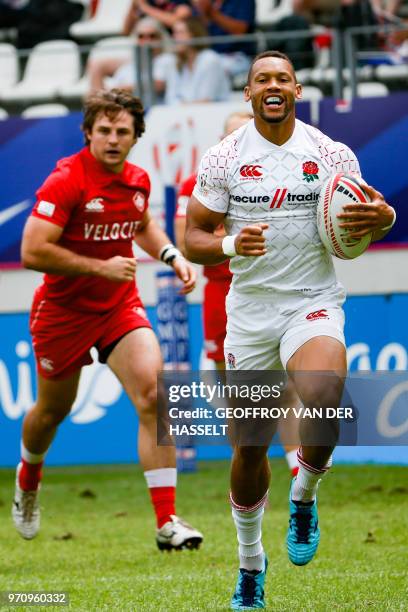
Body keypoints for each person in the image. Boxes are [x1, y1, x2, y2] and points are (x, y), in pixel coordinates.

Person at [184, 51, 396, 608]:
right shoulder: (223, 158)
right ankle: (251, 564)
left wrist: (387, 218)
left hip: (312, 301)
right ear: (248, 93)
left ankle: (304, 494)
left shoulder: (330, 153)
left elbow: (366, 214)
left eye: (281, 77)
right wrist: (231, 244)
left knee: (326, 395)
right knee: (249, 448)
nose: (272, 85)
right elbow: (194, 236)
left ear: (297, 89)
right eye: (261, 79)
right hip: (250, 313)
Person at [13, 88, 203, 553]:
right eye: (104, 131)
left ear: (136, 136)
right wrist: (100, 267)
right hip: (62, 313)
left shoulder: (137, 180)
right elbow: (31, 250)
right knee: (51, 413)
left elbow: (140, 225)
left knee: (155, 394)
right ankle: (29, 476)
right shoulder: (66, 180)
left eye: (122, 131)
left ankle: (167, 522)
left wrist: (171, 253)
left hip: (119, 307)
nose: (112, 139)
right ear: (88, 133)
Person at [175, 110, 301, 475]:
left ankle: (296, 474)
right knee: (238, 395)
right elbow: (188, 239)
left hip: (275, 287)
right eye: (232, 137)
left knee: (287, 386)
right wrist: (233, 242)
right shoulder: (196, 183)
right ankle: (245, 471)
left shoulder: (284, 178)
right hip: (221, 292)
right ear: (221, 143)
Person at [88, 17, 173, 101]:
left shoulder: (167, 60)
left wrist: (116, 91)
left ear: (161, 38)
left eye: (152, 36)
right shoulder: (129, 65)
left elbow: (158, 84)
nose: (146, 41)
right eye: (141, 37)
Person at [163, 16, 231, 104]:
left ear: (194, 35)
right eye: (174, 33)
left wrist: (181, 105)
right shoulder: (177, 62)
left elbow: (206, 100)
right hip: (185, 114)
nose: (175, 37)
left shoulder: (210, 59)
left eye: (180, 33)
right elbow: (170, 98)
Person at [192, 0, 256, 77]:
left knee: (210, 69)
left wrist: (211, 12)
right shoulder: (208, 2)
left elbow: (239, 31)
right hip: (209, 55)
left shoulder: (243, 2)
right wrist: (202, 12)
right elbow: (196, 32)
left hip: (238, 56)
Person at [122, 0, 193, 35]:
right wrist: (134, 6)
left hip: (172, 50)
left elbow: (177, 21)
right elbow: (126, 32)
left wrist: (145, 8)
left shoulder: (179, 1)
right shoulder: (147, 2)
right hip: (145, 52)